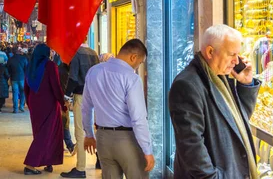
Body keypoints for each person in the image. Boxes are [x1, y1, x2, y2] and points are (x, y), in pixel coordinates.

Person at [169, 24, 260, 178]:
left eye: (238, 54)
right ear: (210, 52)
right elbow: (191, 145)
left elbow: (237, 121)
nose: (236, 61)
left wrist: (245, 83)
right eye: (232, 54)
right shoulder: (187, 85)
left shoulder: (220, 76)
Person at [82, 39, 154, 179]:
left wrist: (89, 134)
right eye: (139, 63)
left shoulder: (94, 71)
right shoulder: (131, 78)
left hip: (103, 139)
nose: (138, 67)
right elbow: (138, 119)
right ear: (133, 57)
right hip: (127, 140)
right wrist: (147, 150)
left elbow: (86, 107)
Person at [23, 44, 65, 175]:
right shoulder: (50, 66)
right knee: (47, 134)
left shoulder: (31, 65)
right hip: (49, 104)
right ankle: (30, 165)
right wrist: (62, 103)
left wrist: (29, 103)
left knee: (41, 133)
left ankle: (48, 161)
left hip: (34, 104)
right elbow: (56, 86)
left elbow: (26, 86)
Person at [61, 43, 99, 178]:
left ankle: (80, 168)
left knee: (80, 131)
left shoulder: (76, 53)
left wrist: (66, 95)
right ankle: (99, 160)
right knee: (95, 128)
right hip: (95, 95)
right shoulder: (93, 53)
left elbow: (73, 77)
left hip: (82, 96)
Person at [58, 62, 76, 155]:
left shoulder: (60, 68)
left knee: (63, 123)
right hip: (63, 100)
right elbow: (65, 88)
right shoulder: (65, 73)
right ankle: (70, 145)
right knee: (65, 122)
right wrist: (67, 99)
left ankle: (61, 146)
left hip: (60, 100)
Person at [7, 46, 29, 113]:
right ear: (18, 51)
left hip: (14, 78)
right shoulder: (23, 59)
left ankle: (15, 108)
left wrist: (10, 75)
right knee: (23, 92)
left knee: (15, 93)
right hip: (22, 78)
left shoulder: (10, 59)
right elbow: (27, 68)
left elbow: (8, 69)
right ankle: (21, 106)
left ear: (13, 52)